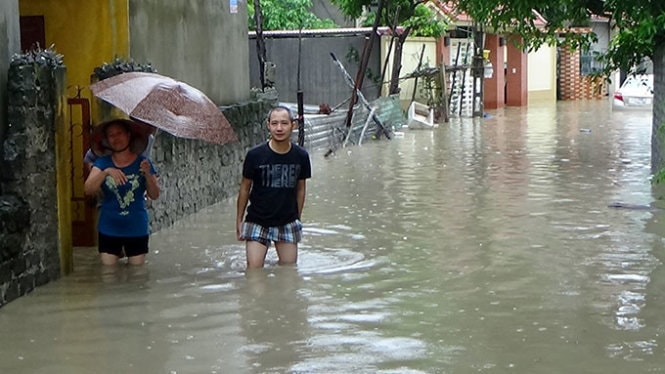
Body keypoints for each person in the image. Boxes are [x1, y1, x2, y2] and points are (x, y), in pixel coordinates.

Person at [236, 106, 312, 269]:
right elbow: (245, 188)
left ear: (293, 125)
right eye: (274, 123)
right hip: (257, 221)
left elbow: (301, 189)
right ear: (268, 125)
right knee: (254, 272)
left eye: (284, 123)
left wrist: (297, 217)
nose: (279, 128)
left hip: (287, 222)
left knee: (288, 272)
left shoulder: (301, 156)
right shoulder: (255, 155)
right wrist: (239, 220)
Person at [84, 119, 160, 266]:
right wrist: (106, 173)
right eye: (111, 135)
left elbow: (155, 195)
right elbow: (88, 189)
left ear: (128, 135)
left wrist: (147, 175)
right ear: (107, 140)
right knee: (108, 276)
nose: (116, 138)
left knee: (137, 276)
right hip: (109, 227)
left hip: (136, 227)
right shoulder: (102, 163)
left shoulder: (143, 163)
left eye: (119, 133)